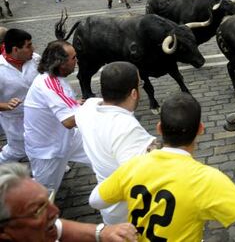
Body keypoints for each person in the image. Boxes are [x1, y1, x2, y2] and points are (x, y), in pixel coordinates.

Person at [89, 92, 235, 240]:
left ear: (159, 128)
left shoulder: (134, 166)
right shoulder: (206, 180)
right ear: (201, 130)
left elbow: (96, 201)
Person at [75, 62, 157, 225]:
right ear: (134, 93)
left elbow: (92, 103)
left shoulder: (87, 108)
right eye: (140, 84)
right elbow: (140, 176)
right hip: (130, 213)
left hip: (108, 206)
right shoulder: (127, 129)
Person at [0, 162, 138, 242]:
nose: (56, 211)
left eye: (48, 200)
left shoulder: (37, 231)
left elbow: (57, 226)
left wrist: (101, 232)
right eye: (37, 210)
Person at [23, 40, 91, 192]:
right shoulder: (49, 84)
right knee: (44, 195)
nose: (77, 61)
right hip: (48, 151)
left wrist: (75, 104)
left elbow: (62, 104)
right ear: (61, 63)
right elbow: (68, 121)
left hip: (69, 138)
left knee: (103, 155)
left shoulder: (54, 79)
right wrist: (96, 109)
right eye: (73, 58)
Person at [0, 29, 39, 164]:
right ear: (16, 49)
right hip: (14, 119)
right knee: (18, 150)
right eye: (28, 46)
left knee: (42, 141)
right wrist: (5, 105)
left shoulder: (35, 59)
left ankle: (49, 164)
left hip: (38, 114)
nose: (33, 49)